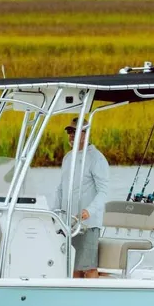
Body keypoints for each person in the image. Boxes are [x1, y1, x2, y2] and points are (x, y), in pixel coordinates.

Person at [52, 117, 110, 278]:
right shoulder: (67, 157)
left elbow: (103, 192)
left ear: (86, 134)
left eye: (75, 131)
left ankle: (93, 293)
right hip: (68, 223)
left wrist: (88, 211)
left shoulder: (96, 158)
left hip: (88, 223)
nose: (71, 135)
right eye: (70, 131)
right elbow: (61, 188)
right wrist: (54, 213)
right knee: (72, 266)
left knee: (88, 267)